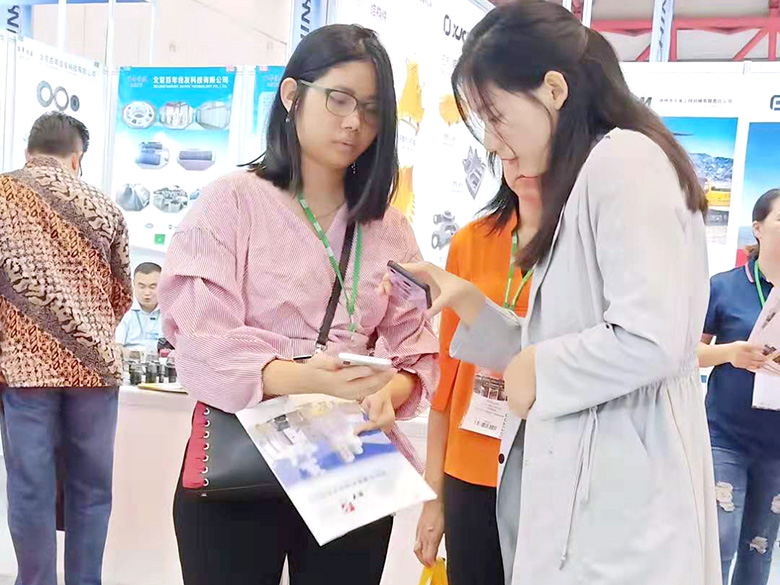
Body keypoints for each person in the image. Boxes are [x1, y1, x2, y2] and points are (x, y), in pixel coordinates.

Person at [383, 3, 721, 584]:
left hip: (621, 496)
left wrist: (539, 369)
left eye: (497, 117)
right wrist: (469, 302)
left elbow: (651, 337)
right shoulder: (591, 175)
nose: (493, 143)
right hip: (594, 483)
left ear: (555, 90)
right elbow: (567, 335)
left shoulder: (624, 160)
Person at [158, 24, 439, 585]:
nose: (354, 122)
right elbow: (200, 339)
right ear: (292, 95)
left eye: (372, 109)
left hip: (349, 466)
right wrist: (307, 379)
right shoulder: (232, 202)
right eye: (339, 99)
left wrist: (387, 392)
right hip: (241, 466)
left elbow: (416, 349)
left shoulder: (389, 229)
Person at [0, 112, 132, 585]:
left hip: (25, 368)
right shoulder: (106, 208)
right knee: (90, 490)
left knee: (30, 488)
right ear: (77, 158)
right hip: (94, 369)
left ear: (28, 152)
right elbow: (122, 293)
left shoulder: (2, 195)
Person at [414, 177, 540, 585]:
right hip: (469, 468)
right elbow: (446, 380)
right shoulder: (473, 240)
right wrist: (434, 497)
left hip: (546, 469)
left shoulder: (582, 243)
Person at [699, 189, 780, 585]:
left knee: (758, 551)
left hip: (777, 448)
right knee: (719, 543)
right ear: (758, 228)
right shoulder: (724, 286)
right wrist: (730, 353)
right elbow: (685, 354)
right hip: (725, 438)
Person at [116, 262, 163, 352]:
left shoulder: (171, 313)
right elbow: (116, 347)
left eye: (153, 287)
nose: (147, 293)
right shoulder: (124, 311)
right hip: (129, 359)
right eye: (142, 287)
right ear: (133, 284)